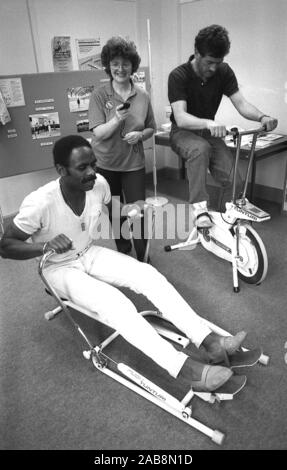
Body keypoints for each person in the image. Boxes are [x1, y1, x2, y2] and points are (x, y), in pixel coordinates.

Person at [0, 135, 247, 393]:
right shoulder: (39, 202)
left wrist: (130, 210)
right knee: (114, 303)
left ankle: (209, 342)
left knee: (147, 274)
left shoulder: (99, 184)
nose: (92, 172)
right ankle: (186, 370)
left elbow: (112, 209)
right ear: (61, 170)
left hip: (87, 251)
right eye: (82, 167)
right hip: (57, 267)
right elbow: (5, 246)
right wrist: (44, 247)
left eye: (93, 165)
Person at [168, 24, 278, 228]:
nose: (213, 68)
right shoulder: (178, 76)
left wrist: (262, 117)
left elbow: (241, 104)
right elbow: (181, 117)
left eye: (218, 63)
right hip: (183, 133)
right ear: (196, 53)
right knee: (200, 149)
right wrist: (209, 122)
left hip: (209, 133)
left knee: (234, 180)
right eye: (209, 62)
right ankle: (200, 209)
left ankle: (224, 222)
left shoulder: (223, 72)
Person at [88, 36, 156, 261]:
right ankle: (124, 250)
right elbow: (98, 133)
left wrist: (140, 135)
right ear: (108, 66)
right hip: (106, 163)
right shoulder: (99, 95)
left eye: (125, 63)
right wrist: (117, 119)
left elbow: (151, 128)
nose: (120, 68)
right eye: (115, 63)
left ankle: (143, 255)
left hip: (133, 163)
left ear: (132, 66)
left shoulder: (143, 95)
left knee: (139, 212)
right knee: (116, 212)